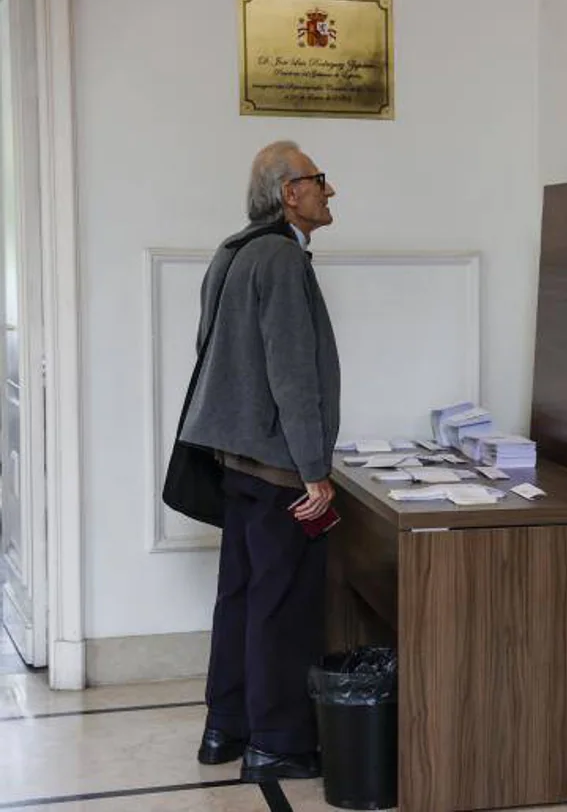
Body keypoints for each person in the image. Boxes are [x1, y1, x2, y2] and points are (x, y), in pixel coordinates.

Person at [180, 140, 341, 782]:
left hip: (234, 459)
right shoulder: (279, 257)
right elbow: (293, 375)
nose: (330, 190)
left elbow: (207, 346)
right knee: (284, 603)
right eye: (318, 179)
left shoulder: (231, 250)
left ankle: (225, 728)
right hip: (278, 468)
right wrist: (314, 471)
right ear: (288, 194)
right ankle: (276, 742)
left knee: (241, 597)